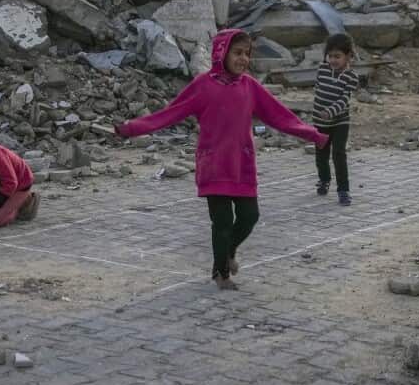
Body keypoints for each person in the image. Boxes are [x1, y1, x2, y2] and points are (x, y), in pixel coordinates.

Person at [115, 29, 329, 290]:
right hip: (214, 165)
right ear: (221, 53)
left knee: (250, 216)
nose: (243, 59)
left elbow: (280, 116)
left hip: (242, 165)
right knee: (223, 222)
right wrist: (132, 128)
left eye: (247, 54)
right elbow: (169, 114)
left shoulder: (250, 87)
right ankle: (221, 273)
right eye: (237, 53)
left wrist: (313, 135)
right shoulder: (203, 86)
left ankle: (228, 252)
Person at [311, 33, 361, 206]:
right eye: (330, 56)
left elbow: (344, 99)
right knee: (321, 155)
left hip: (340, 121)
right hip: (320, 122)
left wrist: (330, 111)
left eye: (337, 56)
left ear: (348, 56)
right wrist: (318, 113)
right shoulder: (322, 70)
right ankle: (324, 180)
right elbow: (318, 91)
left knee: (339, 154)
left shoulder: (351, 77)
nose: (333, 60)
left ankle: (343, 190)